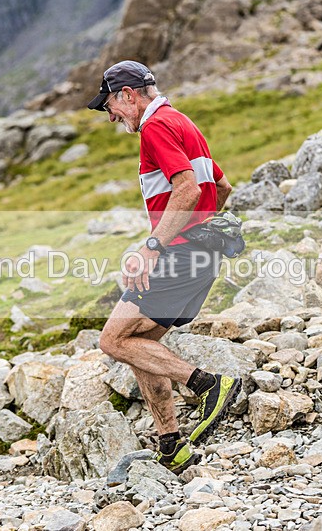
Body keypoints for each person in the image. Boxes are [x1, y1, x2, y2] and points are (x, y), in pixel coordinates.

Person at [88, 60, 242, 474]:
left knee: (113, 340)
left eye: (110, 107)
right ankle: (171, 445)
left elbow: (187, 189)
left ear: (127, 95)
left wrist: (154, 245)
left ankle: (210, 385)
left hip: (177, 255)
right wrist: (202, 232)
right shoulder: (181, 121)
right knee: (142, 344)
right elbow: (221, 187)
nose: (111, 117)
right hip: (201, 255)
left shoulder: (155, 127)